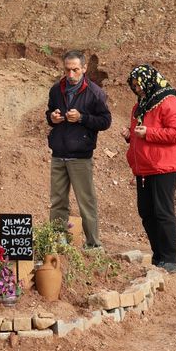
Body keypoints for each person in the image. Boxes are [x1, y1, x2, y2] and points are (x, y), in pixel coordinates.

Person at [121, 64, 176, 273]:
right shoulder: (141, 105)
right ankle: (159, 256)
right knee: (147, 212)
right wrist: (130, 136)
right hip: (145, 167)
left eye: (139, 85)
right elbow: (140, 133)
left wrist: (148, 133)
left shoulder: (169, 103)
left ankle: (170, 259)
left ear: (149, 81)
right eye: (133, 86)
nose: (137, 89)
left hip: (165, 167)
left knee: (163, 212)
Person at [46, 50, 112, 249]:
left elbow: (106, 121)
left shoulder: (95, 93)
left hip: (80, 156)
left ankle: (93, 245)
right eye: (67, 70)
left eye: (75, 70)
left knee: (86, 202)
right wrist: (52, 118)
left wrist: (82, 117)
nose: (71, 74)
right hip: (59, 153)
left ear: (84, 68)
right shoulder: (56, 90)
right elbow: (49, 112)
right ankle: (58, 243)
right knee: (58, 202)